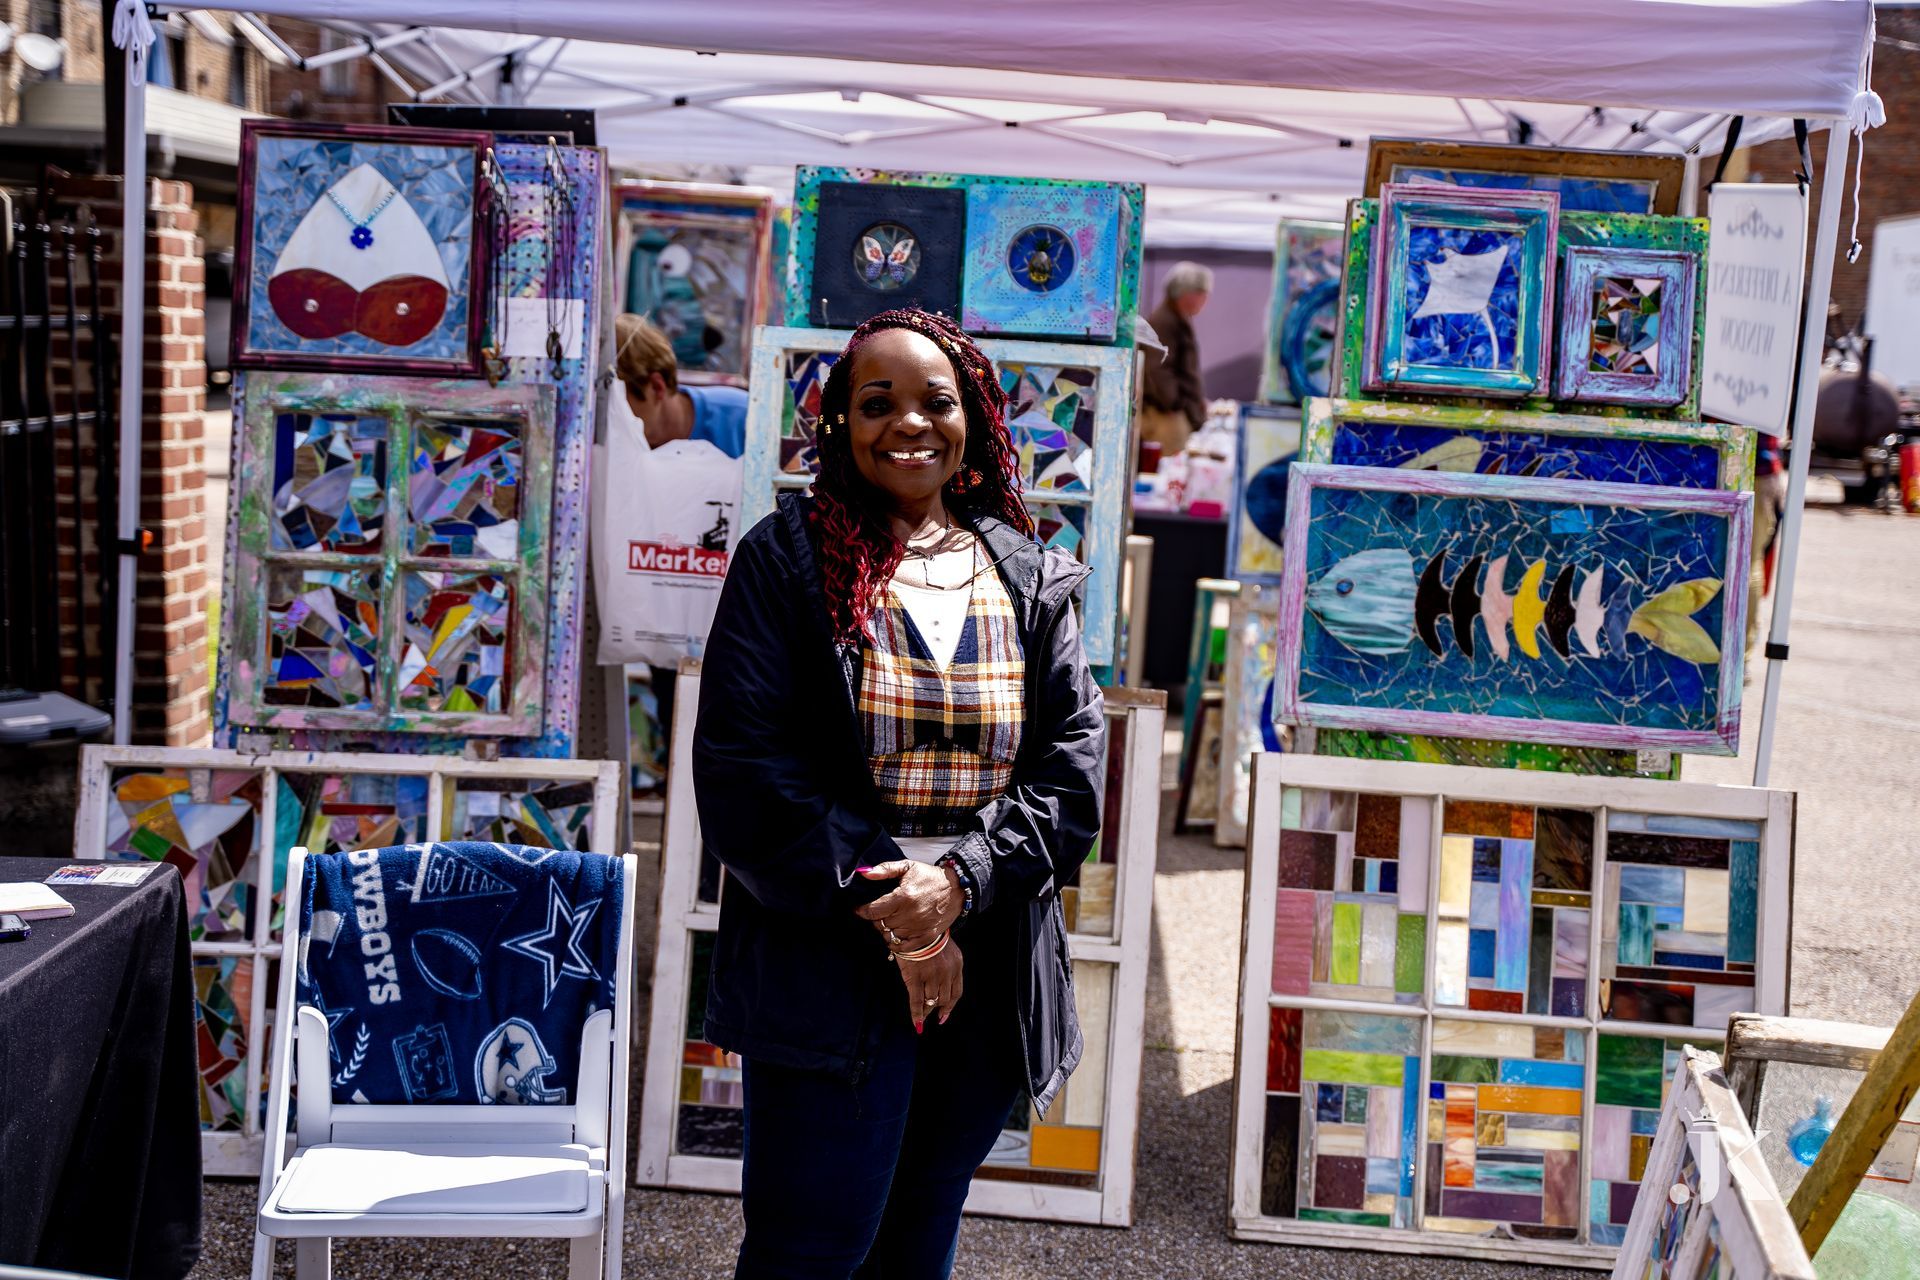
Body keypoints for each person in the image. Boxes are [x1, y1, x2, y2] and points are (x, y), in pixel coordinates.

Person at [692, 308, 1106, 1279]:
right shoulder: (786, 560)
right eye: (877, 403)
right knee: (812, 1246)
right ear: (838, 423)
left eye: (936, 401)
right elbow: (745, 773)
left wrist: (957, 884)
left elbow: (1074, 769)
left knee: (920, 1235)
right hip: (824, 964)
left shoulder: (1029, 573)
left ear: (974, 421)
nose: (908, 422)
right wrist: (904, 914)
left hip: (986, 965)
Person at [614, 312, 749, 735]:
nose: (620, 428)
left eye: (625, 413)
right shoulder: (619, 448)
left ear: (656, 386)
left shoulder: (746, 420)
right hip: (667, 633)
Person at [614, 312, 749, 458]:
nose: (611, 418)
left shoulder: (744, 421)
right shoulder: (616, 450)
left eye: (617, 403)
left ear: (656, 386)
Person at [1140, 261, 1214, 456]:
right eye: (1201, 293)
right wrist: (1173, 403)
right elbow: (1158, 368)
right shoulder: (1165, 321)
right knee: (1170, 471)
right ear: (1186, 294)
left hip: (1171, 412)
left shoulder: (1175, 319)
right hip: (1165, 416)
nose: (1204, 299)